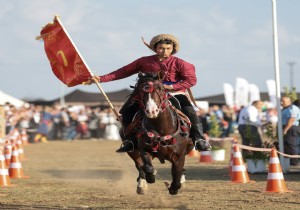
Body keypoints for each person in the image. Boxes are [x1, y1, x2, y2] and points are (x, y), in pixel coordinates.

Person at [86, 34, 211, 153]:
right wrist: (101, 78)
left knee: (190, 111)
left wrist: (170, 86)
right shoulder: (143, 61)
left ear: (173, 49)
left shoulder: (182, 64)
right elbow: (123, 72)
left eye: (168, 48)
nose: (164, 51)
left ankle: (199, 139)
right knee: (126, 111)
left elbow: (191, 80)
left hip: (175, 93)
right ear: (155, 48)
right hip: (148, 93)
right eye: (161, 48)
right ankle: (129, 141)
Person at [281, 96, 300, 165]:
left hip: (291, 127)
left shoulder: (292, 108)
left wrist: (285, 129)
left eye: (283, 101)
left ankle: (294, 162)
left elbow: (292, 119)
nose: (281, 103)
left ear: (289, 102)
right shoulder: (285, 109)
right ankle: (288, 162)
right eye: (281, 101)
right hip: (288, 127)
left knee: (292, 144)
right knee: (287, 145)